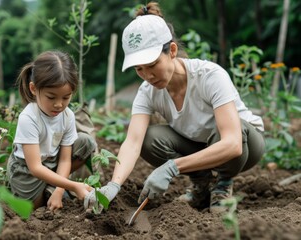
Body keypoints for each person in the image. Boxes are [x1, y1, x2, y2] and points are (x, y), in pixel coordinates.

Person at [84, 2, 265, 213]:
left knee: (226, 130)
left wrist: (172, 167)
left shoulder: (209, 76)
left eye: (152, 65)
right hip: (201, 144)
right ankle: (201, 186)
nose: (147, 76)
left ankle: (223, 185)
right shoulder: (147, 92)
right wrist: (113, 185)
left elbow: (233, 143)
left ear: (172, 50)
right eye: (139, 69)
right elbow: (133, 142)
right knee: (149, 139)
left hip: (244, 145)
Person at [7, 50, 96, 211]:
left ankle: (52, 186)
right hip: (27, 170)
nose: (59, 105)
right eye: (51, 97)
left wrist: (59, 191)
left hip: (52, 161)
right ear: (34, 89)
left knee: (86, 142)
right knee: (30, 209)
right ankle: (49, 187)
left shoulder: (67, 115)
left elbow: (64, 160)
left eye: (65, 97)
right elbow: (35, 167)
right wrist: (74, 186)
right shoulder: (29, 117)